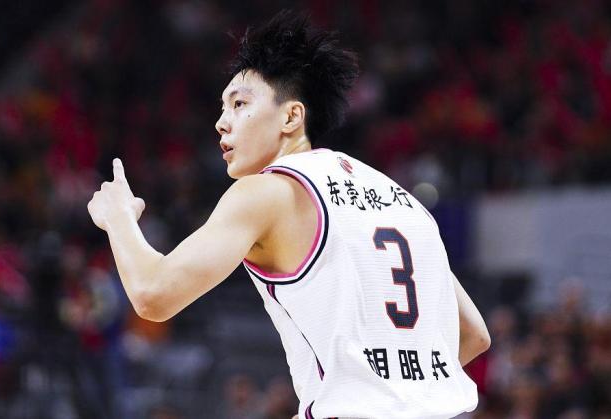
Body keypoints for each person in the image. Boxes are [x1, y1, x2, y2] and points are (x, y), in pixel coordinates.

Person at [87, 11, 490, 418]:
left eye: (239, 104)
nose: (221, 122)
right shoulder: (403, 201)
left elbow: (153, 295)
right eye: (222, 108)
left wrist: (119, 218)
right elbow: (474, 335)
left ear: (291, 117)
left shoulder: (268, 191)